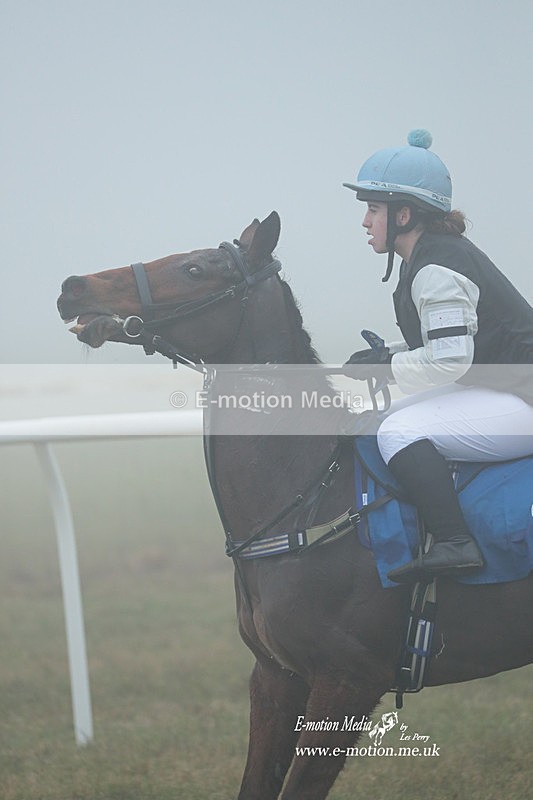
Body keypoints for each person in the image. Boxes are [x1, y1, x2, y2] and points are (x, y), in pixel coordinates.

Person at [343, 129, 533, 583]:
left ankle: (454, 541)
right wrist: (385, 355)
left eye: (373, 210)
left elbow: (449, 362)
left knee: (399, 431)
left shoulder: (437, 268)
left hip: (522, 398)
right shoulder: (427, 258)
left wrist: (388, 365)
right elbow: (451, 344)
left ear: (404, 214)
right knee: (377, 415)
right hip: (501, 384)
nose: (365, 222)